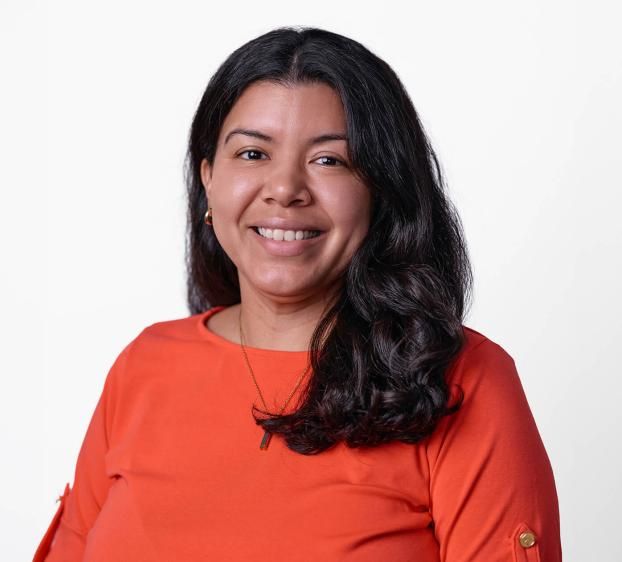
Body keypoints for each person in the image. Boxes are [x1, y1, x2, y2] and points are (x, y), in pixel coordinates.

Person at [35, 26, 562, 562]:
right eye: (252, 154)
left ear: (382, 190)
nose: (285, 188)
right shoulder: (143, 366)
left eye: (329, 160)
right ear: (208, 179)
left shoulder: (465, 382)